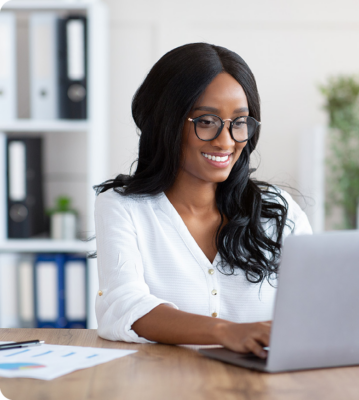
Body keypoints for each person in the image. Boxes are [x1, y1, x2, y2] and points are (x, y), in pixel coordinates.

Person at [94, 43, 312, 359]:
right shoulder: (123, 208)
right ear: (166, 122)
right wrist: (226, 332)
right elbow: (123, 307)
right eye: (206, 121)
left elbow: (317, 306)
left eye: (239, 122)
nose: (226, 141)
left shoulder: (278, 211)